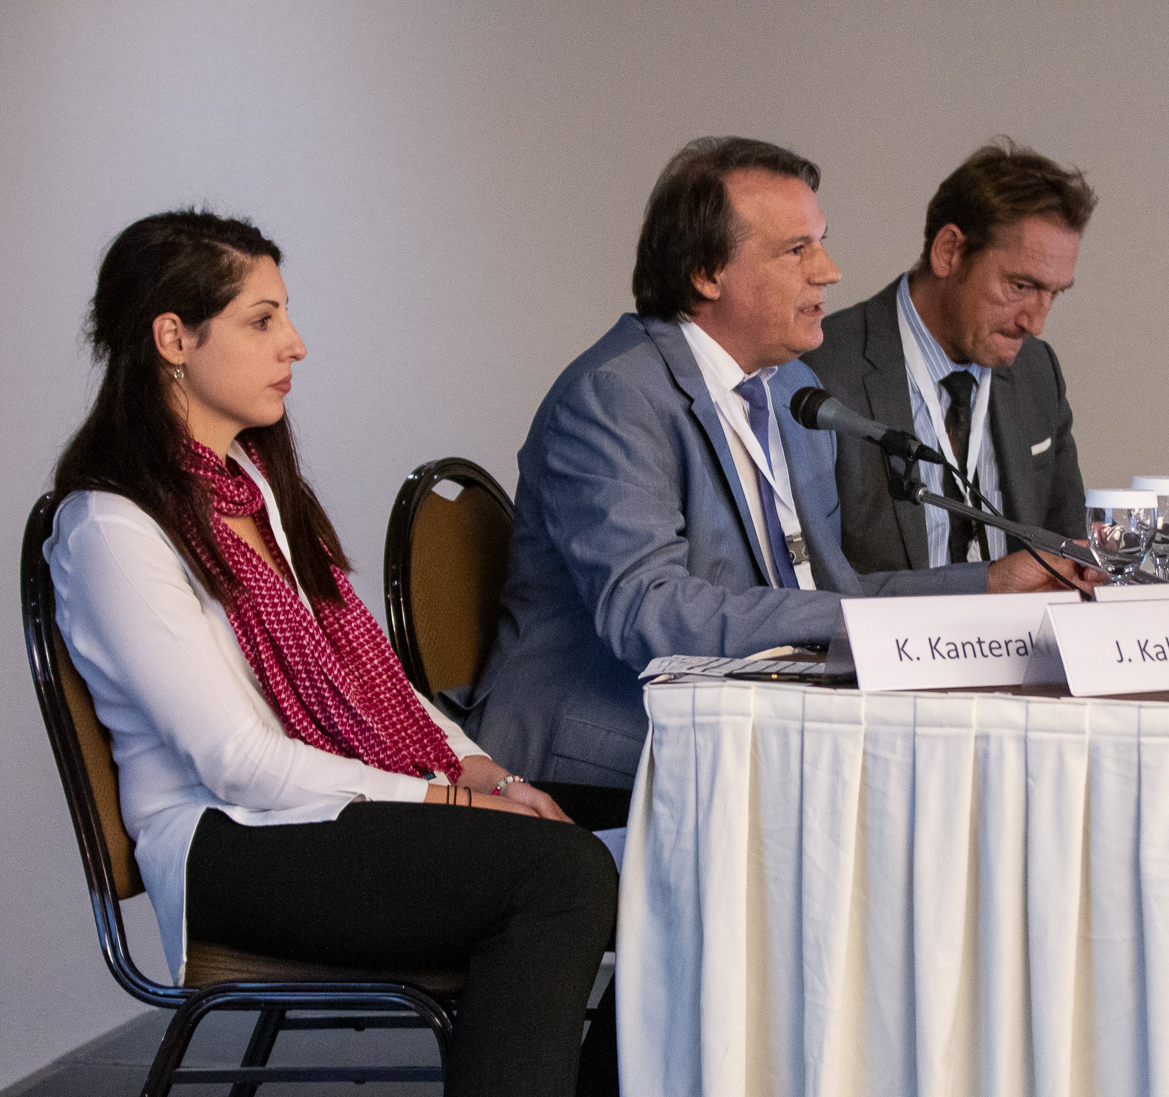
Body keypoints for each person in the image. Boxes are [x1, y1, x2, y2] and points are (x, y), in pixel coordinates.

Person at [46, 209, 623, 1097]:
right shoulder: (111, 526)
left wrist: (476, 766)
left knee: (646, 861)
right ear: (172, 338)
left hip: (319, 821)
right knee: (557, 879)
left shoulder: (252, 492)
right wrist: (442, 804)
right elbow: (237, 761)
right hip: (228, 846)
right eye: (262, 318)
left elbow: (377, 680)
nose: (294, 343)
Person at [468, 136, 1091, 790]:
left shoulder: (791, 389)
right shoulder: (615, 397)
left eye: (820, 243)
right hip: (605, 753)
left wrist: (987, 587)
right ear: (707, 273)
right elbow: (652, 613)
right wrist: (856, 624)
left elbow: (834, 591)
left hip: (750, 728)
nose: (830, 271)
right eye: (797, 250)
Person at [805, 140, 1096, 573]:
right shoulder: (820, 371)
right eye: (1020, 286)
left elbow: (1068, 551)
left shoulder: (1037, 371)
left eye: (1054, 293)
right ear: (949, 252)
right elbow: (812, 582)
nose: (1035, 322)